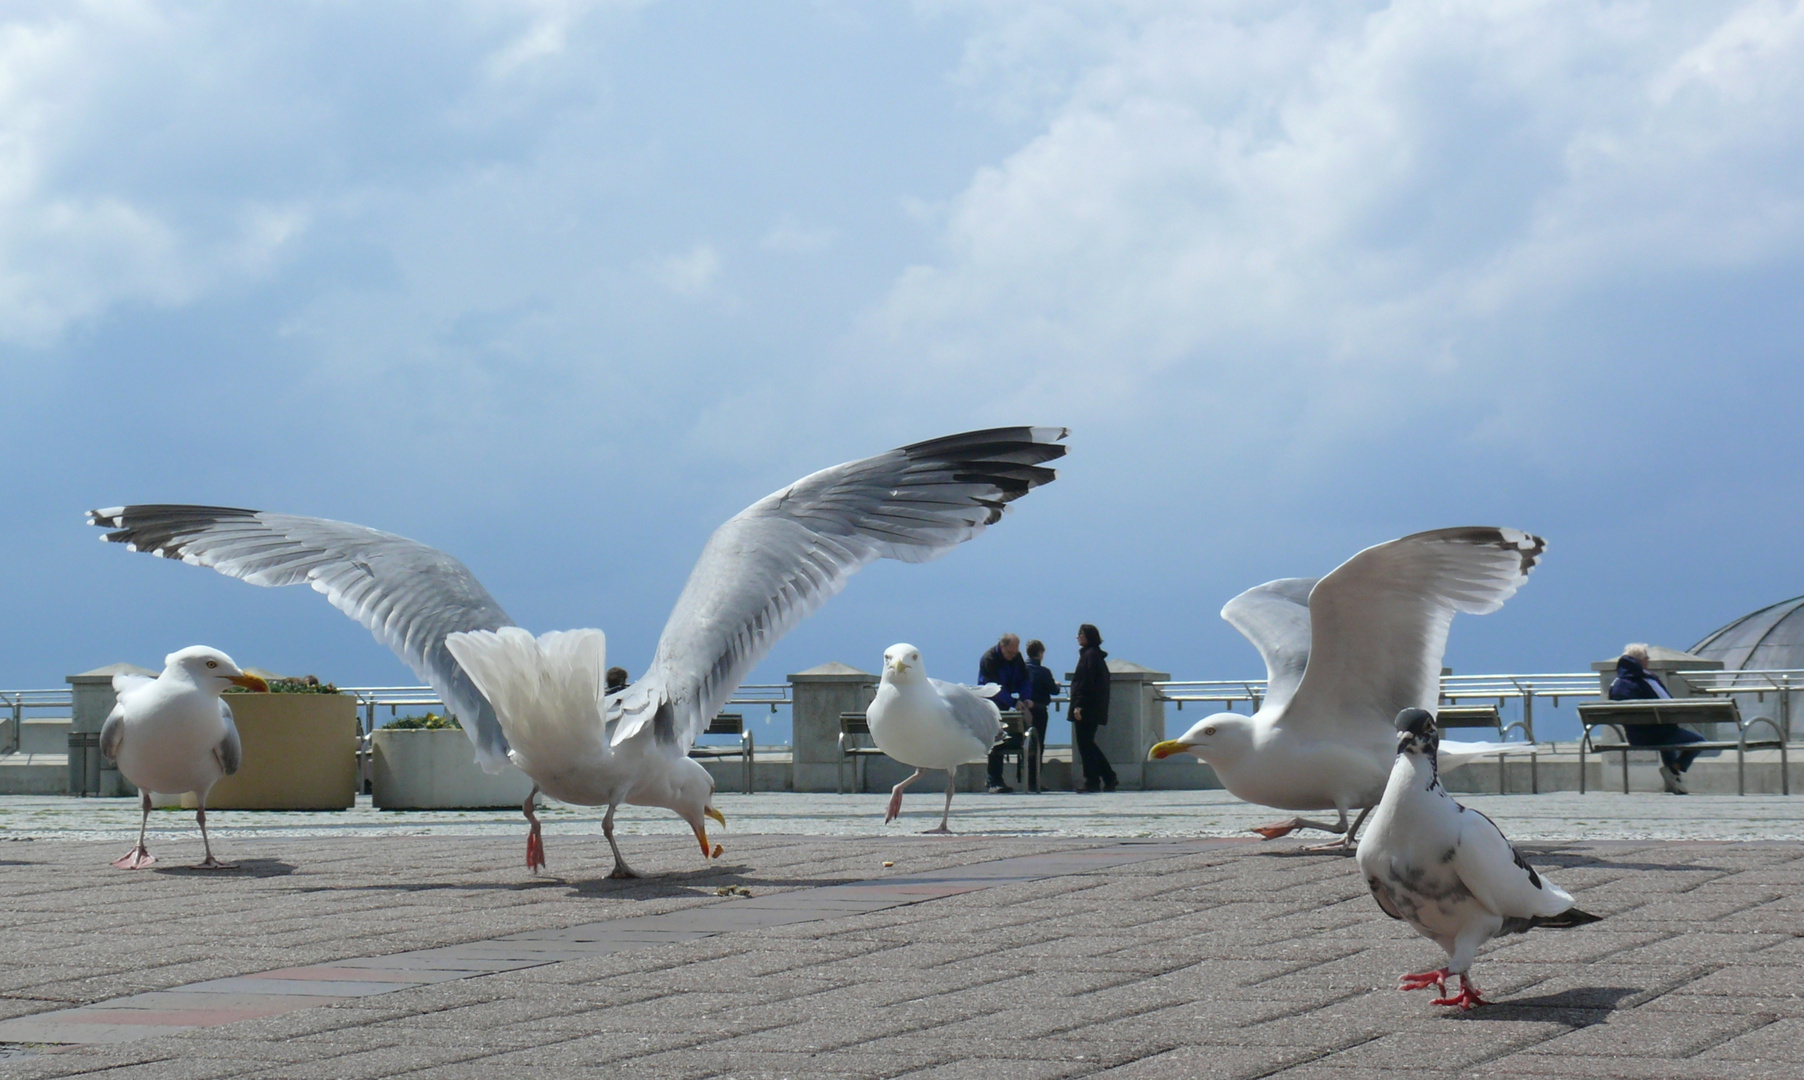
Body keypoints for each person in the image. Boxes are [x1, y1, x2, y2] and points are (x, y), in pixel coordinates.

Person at [1609, 643, 1707, 795]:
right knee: (1699, 741)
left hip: (1635, 738)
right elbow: (1669, 703)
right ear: (1641, 661)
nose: (1648, 661)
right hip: (1660, 735)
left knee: (1665, 738)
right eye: (1647, 658)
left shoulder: (1615, 684)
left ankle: (1674, 781)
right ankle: (1673, 769)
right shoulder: (1648, 680)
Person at [979, 634, 1034, 793]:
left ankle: (1023, 778)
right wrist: (1013, 702)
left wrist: (1026, 698)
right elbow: (993, 687)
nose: (1013, 656)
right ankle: (993, 780)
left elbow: (1024, 679)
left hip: (1007, 700)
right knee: (996, 740)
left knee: (1013, 737)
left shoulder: (1016, 657)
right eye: (1010, 653)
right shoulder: (989, 659)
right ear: (1002, 647)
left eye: (1015, 653)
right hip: (991, 702)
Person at [1069, 623, 1116, 792]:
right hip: (1093, 708)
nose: (1077, 637)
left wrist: (1079, 705)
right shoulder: (1094, 655)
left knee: (1086, 745)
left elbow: (1085, 682)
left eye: (1080, 634)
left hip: (1087, 708)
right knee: (1088, 744)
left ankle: (1093, 780)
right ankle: (1108, 776)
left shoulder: (1089, 656)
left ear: (1088, 636)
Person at [1022, 639, 1059, 792]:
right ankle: (1035, 780)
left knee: (1026, 744)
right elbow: (1054, 691)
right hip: (1039, 710)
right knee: (1038, 745)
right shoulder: (1044, 672)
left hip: (1023, 711)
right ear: (1040, 653)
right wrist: (1055, 684)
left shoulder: (1021, 669)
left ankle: (1026, 779)